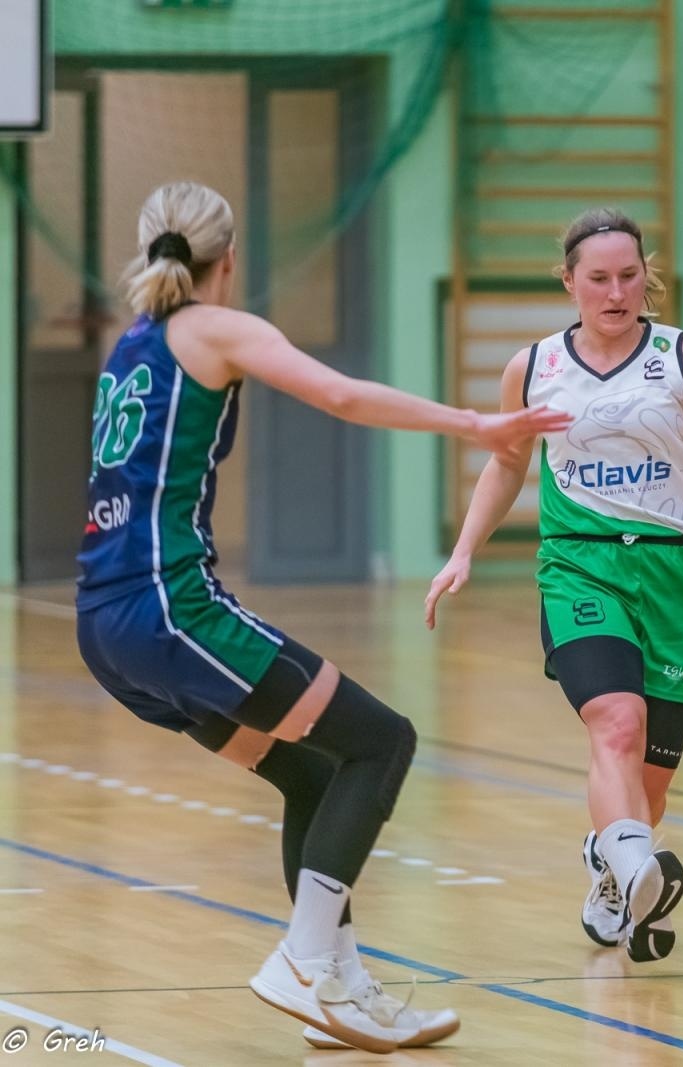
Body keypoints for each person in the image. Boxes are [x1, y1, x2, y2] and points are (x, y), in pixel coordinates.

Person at [74, 183, 569, 1053]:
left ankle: (334, 984)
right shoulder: (215, 328)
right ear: (229, 259)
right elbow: (339, 395)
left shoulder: (133, 343)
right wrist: (474, 422)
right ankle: (306, 958)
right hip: (169, 607)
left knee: (309, 774)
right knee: (383, 741)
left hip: (105, 627)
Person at [426, 208, 683, 959]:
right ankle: (635, 867)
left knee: (648, 784)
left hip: (675, 570)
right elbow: (508, 462)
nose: (617, 293)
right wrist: (463, 551)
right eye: (598, 279)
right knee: (616, 722)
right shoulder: (534, 366)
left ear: (645, 275)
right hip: (581, 563)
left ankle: (614, 870)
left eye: (629, 276)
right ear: (569, 282)